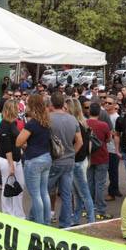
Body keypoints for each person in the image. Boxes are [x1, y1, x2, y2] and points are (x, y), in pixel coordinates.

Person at [48, 92, 83, 228]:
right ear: (63, 104)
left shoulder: (47, 118)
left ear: (51, 104)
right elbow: (79, 142)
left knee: (45, 191)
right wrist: (71, 153)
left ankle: (44, 219)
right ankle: (65, 223)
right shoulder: (72, 119)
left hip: (53, 160)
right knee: (67, 194)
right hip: (68, 161)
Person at [16, 93, 52, 225]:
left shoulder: (32, 123)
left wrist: (26, 143)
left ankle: (40, 223)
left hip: (34, 159)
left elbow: (18, 142)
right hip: (46, 157)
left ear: (31, 105)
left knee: (36, 195)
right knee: (44, 192)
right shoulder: (46, 121)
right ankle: (46, 222)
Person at [68, 99, 95, 225]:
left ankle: (91, 220)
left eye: (66, 107)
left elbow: (80, 143)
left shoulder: (76, 124)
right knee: (78, 193)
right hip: (81, 160)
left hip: (77, 162)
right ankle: (77, 219)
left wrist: (70, 156)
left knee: (83, 193)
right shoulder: (82, 123)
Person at [0, 99, 25, 218]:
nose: (19, 110)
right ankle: (8, 214)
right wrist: (11, 165)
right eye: (16, 108)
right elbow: (6, 147)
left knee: (20, 186)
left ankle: (18, 214)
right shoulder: (3, 125)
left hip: (17, 159)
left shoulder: (13, 123)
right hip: (7, 160)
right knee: (7, 186)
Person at [87, 102, 111, 220]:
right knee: (100, 184)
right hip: (102, 156)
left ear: (89, 111)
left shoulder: (84, 123)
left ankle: (88, 208)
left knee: (89, 182)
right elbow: (108, 139)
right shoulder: (104, 125)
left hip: (88, 157)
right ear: (99, 113)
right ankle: (100, 209)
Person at [103, 96, 122, 199]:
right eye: (105, 102)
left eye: (109, 103)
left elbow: (118, 134)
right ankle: (115, 189)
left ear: (115, 105)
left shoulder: (116, 117)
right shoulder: (103, 115)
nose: (106, 104)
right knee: (109, 171)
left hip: (113, 148)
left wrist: (117, 149)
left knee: (113, 171)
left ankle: (112, 193)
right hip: (105, 147)